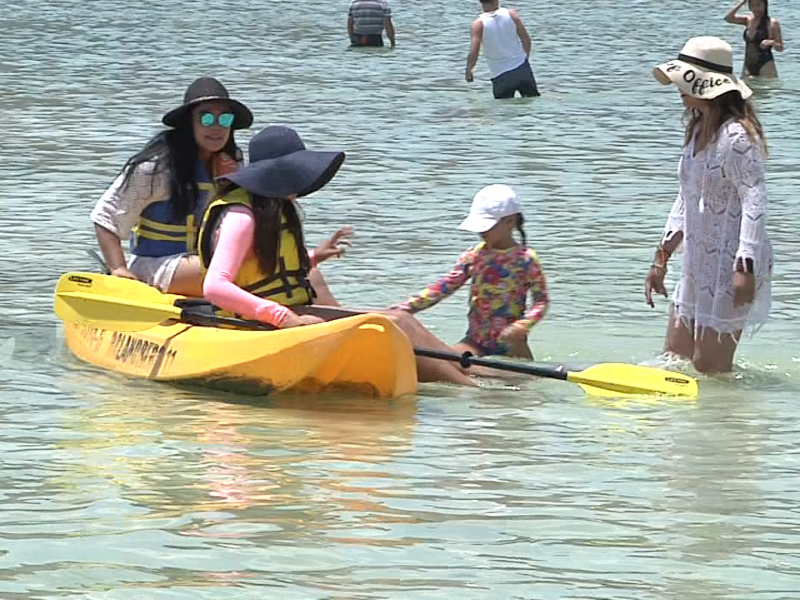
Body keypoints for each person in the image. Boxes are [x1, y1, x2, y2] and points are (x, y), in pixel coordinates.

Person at [199, 125, 477, 385]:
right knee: (390, 325)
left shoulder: (271, 207)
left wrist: (314, 257)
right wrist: (286, 319)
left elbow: (266, 270)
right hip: (255, 324)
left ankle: (478, 371)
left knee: (401, 318)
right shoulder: (241, 216)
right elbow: (215, 286)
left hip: (285, 314)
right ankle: (469, 391)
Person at [646, 36, 773, 374]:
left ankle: (727, 424)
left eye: (684, 78)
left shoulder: (736, 137)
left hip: (730, 263)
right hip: (698, 261)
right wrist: (661, 258)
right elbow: (685, 198)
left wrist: (744, 268)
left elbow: (754, 199)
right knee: (673, 362)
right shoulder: (698, 127)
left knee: (711, 372)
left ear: (705, 84)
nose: (677, 86)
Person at [90, 77, 253, 296]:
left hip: (210, 262)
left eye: (224, 119)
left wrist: (232, 184)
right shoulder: (157, 168)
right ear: (189, 123)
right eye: (205, 118)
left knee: (295, 270)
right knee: (232, 273)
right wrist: (118, 269)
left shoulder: (232, 165)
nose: (216, 127)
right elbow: (105, 217)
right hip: (157, 265)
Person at [391, 185, 548, 359]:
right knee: (446, 361)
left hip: (512, 346)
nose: (482, 231)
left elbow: (541, 302)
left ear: (510, 221)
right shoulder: (474, 256)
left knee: (520, 381)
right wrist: (406, 308)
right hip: (475, 342)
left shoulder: (526, 259)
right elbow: (445, 287)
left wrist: (523, 325)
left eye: (488, 226)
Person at [465, 0, 539, 99]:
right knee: (532, 103)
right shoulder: (511, 14)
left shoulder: (478, 24)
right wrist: (524, 60)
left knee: (503, 111)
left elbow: (474, 52)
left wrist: (469, 70)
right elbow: (526, 40)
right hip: (522, 69)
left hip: (500, 74)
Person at [725, 0, 784, 78]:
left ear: (765, 5)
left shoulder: (772, 23)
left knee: (767, 88)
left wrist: (771, 42)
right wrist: (742, 3)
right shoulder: (747, 20)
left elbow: (780, 48)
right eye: (753, 6)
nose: (756, 8)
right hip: (747, 65)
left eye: (759, 5)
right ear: (749, 7)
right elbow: (728, 18)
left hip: (766, 65)